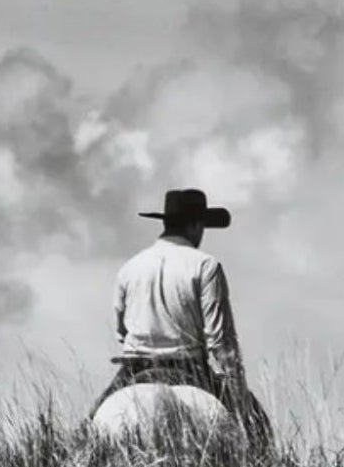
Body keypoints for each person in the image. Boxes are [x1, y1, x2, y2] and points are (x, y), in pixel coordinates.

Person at [95, 188, 272, 446]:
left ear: (166, 223)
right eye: (201, 226)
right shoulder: (206, 265)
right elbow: (220, 341)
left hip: (136, 366)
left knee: (85, 433)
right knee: (258, 435)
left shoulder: (130, 267)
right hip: (190, 367)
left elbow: (121, 332)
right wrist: (238, 388)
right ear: (194, 225)